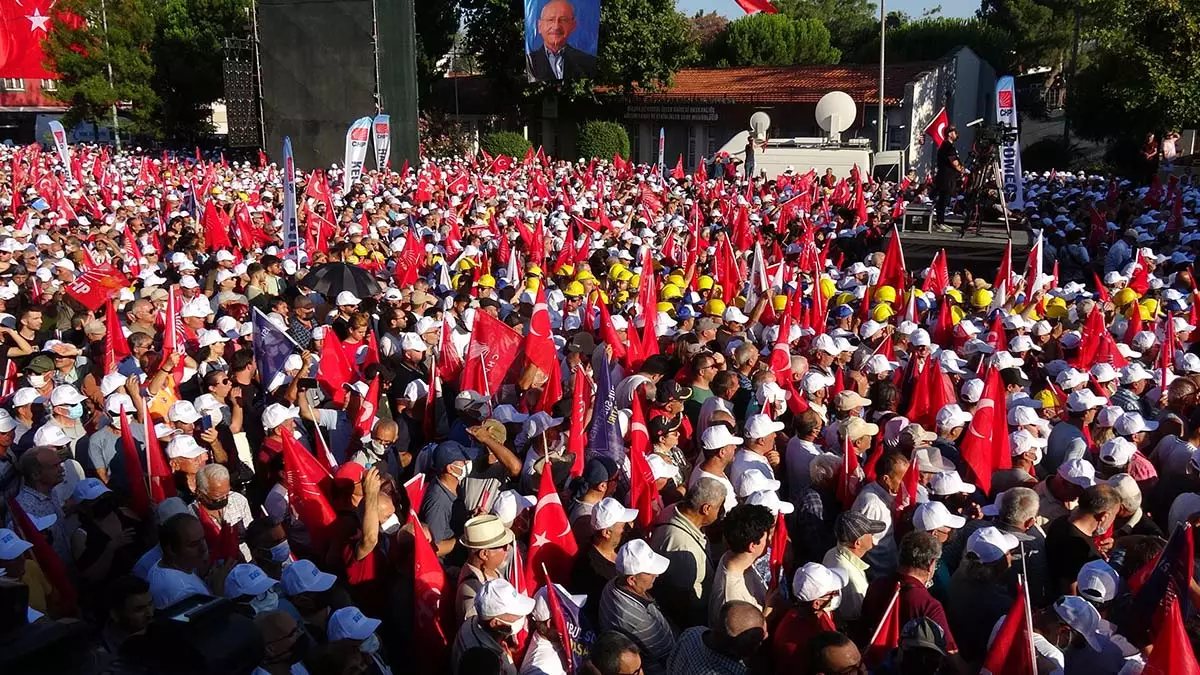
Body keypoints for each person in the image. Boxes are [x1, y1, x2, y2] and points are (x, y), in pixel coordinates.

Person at [859, 532, 959, 656]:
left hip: (874, 661)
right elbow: (950, 651)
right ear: (931, 564)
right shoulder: (928, 605)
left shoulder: (877, 585)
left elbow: (864, 625)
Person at [648, 477, 724, 629]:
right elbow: (682, 600)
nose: (722, 512)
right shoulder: (681, 547)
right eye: (720, 508)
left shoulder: (673, 510)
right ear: (706, 509)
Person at [597, 539, 676, 675]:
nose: (656, 575)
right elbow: (670, 656)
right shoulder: (640, 622)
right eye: (650, 572)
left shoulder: (613, 583)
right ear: (632, 580)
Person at [771, 562, 848, 674]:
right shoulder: (793, 643)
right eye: (834, 592)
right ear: (816, 603)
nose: (839, 594)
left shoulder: (820, 613)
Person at [452, 578, 536, 675]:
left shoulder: (471, 623)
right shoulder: (485, 665)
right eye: (517, 614)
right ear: (495, 623)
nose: (522, 617)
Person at [708, 503, 774, 626]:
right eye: (767, 538)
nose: (770, 541)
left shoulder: (732, 558)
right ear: (752, 546)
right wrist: (769, 610)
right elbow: (745, 638)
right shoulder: (732, 598)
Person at [667, 600, 765, 675]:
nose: (766, 635)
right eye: (759, 640)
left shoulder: (692, 633)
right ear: (743, 650)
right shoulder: (737, 672)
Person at [821, 511, 885, 624]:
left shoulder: (831, 553)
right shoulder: (852, 580)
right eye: (870, 532)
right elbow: (857, 618)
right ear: (857, 543)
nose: (873, 535)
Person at [525, 0, 597, 82]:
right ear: (540, 26)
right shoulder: (529, 62)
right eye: (550, 20)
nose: (556, 27)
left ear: (573, 25)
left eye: (563, 20)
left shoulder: (588, 62)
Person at [933, 125, 964, 232]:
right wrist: (962, 170)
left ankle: (941, 221)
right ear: (950, 134)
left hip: (948, 177)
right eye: (955, 132)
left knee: (944, 200)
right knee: (943, 200)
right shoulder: (947, 146)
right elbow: (954, 162)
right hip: (946, 178)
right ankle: (939, 223)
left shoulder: (949, 146)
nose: (956, 134)